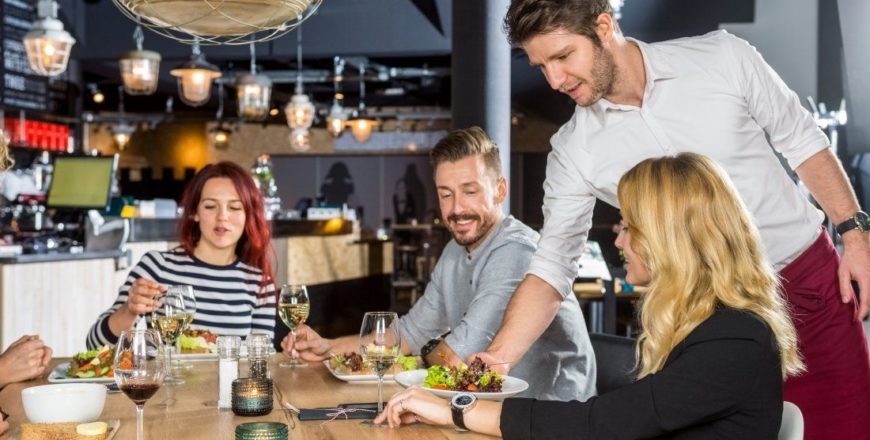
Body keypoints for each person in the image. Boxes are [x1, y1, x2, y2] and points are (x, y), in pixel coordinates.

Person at [471, 2, 870, 438]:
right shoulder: (573, 149)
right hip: (708, 322)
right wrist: (499, 358)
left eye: (563, 56)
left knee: (846, 429)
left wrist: (855, 236)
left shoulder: (722, 57)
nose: (554, 80)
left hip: (808, 285)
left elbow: (803, 141)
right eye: (541, 65)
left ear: (603, 27)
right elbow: (553, 266)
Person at [377, 153, 805, 439]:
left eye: (629, 226)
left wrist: (457, 410)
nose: (620, 241)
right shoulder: (713, 328)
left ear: (671, 238)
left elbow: (603, 423)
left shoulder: (735, 339)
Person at [282, 127, 594, 400]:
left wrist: (427, 348)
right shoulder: (454, 252)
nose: (457, 208)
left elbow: (454, 362)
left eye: (470, 192)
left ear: (500, 190)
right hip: (485, 405)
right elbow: (409, 334)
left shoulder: (515, 251)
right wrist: (328, 347)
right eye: (446, 194)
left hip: (549, 414)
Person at [86, 162, 276, 349]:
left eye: (235, 207)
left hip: (230, 381)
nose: (222, 217)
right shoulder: (158, 266)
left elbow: (262, 358)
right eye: (210, 206)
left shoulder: (259, 283)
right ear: (195, 212)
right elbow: (95, 345)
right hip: (163, 380)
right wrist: (129, 310)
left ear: (248, 215)